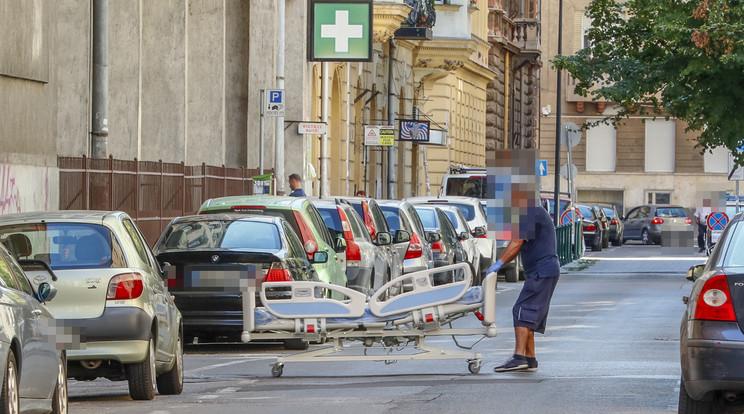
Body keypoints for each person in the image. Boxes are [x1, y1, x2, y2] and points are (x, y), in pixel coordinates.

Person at [487, 202, 560, 373]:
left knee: (521, 310)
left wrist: (499, 263)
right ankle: (530, 359)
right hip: (544, 270)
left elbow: (517, 241)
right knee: (530, 314)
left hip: (542, 270)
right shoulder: (532, 210)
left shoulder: (529, 210)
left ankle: (518, 357)